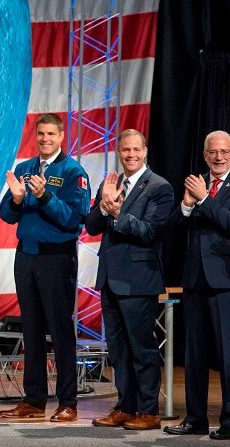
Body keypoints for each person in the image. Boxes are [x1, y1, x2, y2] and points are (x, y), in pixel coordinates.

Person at [0, 113, 90, 422]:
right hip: (26, 257)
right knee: (32, 329)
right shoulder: (24, 169)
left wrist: (44, 195)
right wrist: (17, 198)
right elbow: (8, 217)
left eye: (51, 134)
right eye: (41, 134)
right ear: (35, 136)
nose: (45, 139)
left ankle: (68, 402)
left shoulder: (73, 171)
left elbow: (74, 220)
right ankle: (34, 400)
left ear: (61, 136)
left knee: (60, 330)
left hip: (56, 259)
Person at [85, 129, 174, 430]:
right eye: (125, 150)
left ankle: (148, 411)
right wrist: (103, 206)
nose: (131, 155)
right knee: (118, 348)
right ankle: (126, 406)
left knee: (142, 348)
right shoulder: (111, 183)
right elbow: (91, 226)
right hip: (109, 279)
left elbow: (150, 231)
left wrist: (118, 211)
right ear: (119, 152)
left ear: (145, 151)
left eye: (136, 149)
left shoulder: (160, 187)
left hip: (138, 280)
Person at [163, 130, 230, 440]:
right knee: (195, 354)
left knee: (227, 355)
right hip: (194, 281)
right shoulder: (196, 183)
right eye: (213, 152)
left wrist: (204, 199)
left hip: (225, 282)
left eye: (224, 152)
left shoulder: (211, 189)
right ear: (205, 155)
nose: (218, 157)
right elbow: (173, 230)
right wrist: (188, 206)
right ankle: (196, 419)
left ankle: (229, 421)